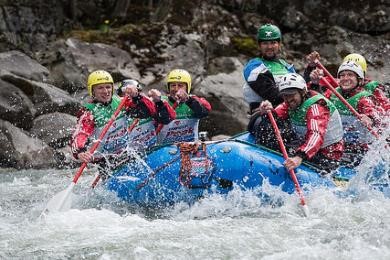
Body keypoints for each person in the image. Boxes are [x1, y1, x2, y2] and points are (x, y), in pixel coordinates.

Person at [70, 70, 172, 175]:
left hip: (126, 153)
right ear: (92, 91)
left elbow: (147, 112)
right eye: (100, 88)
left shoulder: (121, 102)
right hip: (105, 161)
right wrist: (80, 152)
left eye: (108, 87)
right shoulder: (89, 112)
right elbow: (80, 134)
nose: (106, 91)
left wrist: (137, 97)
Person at [255, 73, 344, 173]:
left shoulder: (316, 107)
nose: (288, 99)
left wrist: (299, 157)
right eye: (285, 95)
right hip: (309, 148)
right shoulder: (290, 104)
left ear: (303, 92)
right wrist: (268, 110)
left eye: (292, 94)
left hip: (328, 155)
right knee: (260, 123)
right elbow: (274, 117)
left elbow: (316, 134)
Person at [316, 61, 388, 160]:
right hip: (340, 145)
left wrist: (369, 119)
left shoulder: (364, 99)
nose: (345, 78)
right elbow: (316, 105)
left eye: (350, 75)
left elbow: (376, 118)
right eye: (342, 75)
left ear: (359, 80)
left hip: (362, 149)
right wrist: (315, 83)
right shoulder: (332, 94)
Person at [242, 23, 296, 114]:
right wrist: (292, 101)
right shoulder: (253, 65)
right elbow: (270, 93)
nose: (269, 47)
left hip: (289, 111)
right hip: (262, 114)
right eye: (265, 43)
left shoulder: (286, 66)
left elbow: (301, 89)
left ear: (279, 44)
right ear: (259, 45)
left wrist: (310, 70)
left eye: (273, 42)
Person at [148, 69, 211, 144]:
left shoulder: (194, 100)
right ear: (168, 87)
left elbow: (204, 112)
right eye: (173, 85)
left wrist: (188, 100)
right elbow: (160, 117)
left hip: (190, 147)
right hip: (164, 149)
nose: (176, 89)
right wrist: (158, 103)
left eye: (180, 85)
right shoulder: (161, 102)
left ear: (187, 87)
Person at [116, 79, 176, 150]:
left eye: (132, 93)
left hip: (151, 151)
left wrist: (159, 102)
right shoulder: (119, 110)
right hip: (129, 154)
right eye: (125, 94)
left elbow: (169, 117)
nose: (128, 96)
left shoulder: (147, 104)